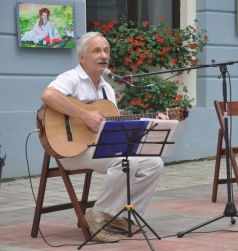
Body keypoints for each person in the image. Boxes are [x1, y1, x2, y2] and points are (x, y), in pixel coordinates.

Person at [40, 32, 168, 243]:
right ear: (82, 57)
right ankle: (97, 215)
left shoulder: (107, 88)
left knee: (154, 163)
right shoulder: (71, 78)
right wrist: (84, 115)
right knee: (125, 161)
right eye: (97, 51)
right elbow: (48, 95)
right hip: (72, 149)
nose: (104, 56)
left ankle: (121, 216)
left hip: (98, 147)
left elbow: (113, 125)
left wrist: (153, 119)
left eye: (106, 51)